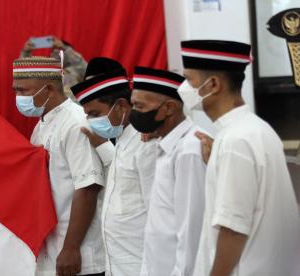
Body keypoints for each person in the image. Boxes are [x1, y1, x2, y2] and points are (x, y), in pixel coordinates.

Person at [178, 40, 300, 276]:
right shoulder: (256, 129)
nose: (184, 87)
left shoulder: (235, 141)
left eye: (189, 79)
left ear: (213, 84)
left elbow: (233, 230)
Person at [12, 56, 106, 276]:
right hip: (52, 246)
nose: (18, 97)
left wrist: (71, 248)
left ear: (50, 89)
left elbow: (88, 188)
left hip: (77, 251)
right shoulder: (42, 124)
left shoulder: (75, 123)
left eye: (23, 91)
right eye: (15, 90)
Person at [71, 58, 157, 276]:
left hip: (141, 266)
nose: (90, 121)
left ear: (121, 106)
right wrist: (100, 144)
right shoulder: (122, 137)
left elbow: (158, 215)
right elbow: (120, 172)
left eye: (94, 114)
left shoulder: (145, 143)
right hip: (116, 266)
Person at [129, 67, 207, 276]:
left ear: (169, 107)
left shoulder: (189, 149)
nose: (133, 113)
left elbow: (192, 231)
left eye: (139, 106)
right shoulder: (165, 143)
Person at [21, 37, 87, 99]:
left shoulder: (76, 70)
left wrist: (65, 48)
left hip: (73, 108)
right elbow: (26, 73)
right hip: (50, 108)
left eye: (60, 50)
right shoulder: (46, 72)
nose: (56, 52)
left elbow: (82, 66)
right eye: (53, 50)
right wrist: (26, 52)